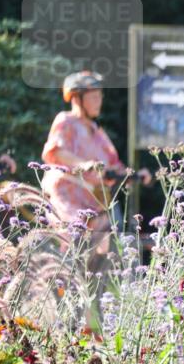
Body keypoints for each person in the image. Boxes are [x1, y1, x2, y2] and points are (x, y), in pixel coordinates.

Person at [40, 70, 152, 264]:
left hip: (95, 202)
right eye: (93, 97)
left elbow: (113, 165)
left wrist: (134, 175)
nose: (99, 101)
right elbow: (56, 152)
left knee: (104, 252)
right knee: (73, 245)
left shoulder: (97, 131)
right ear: (77, 98)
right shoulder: (66, 121)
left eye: (100, 96)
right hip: (67, 199)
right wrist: (82, 165)